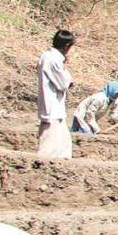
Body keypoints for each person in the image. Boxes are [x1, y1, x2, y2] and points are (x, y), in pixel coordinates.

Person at [37, 30, 75, 158]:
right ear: (66, 46)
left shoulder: (49, 57)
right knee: (48, 146)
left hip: (56, 108)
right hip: (52, 106)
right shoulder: (53, 59)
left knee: (63, 145)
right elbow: (64, 83)